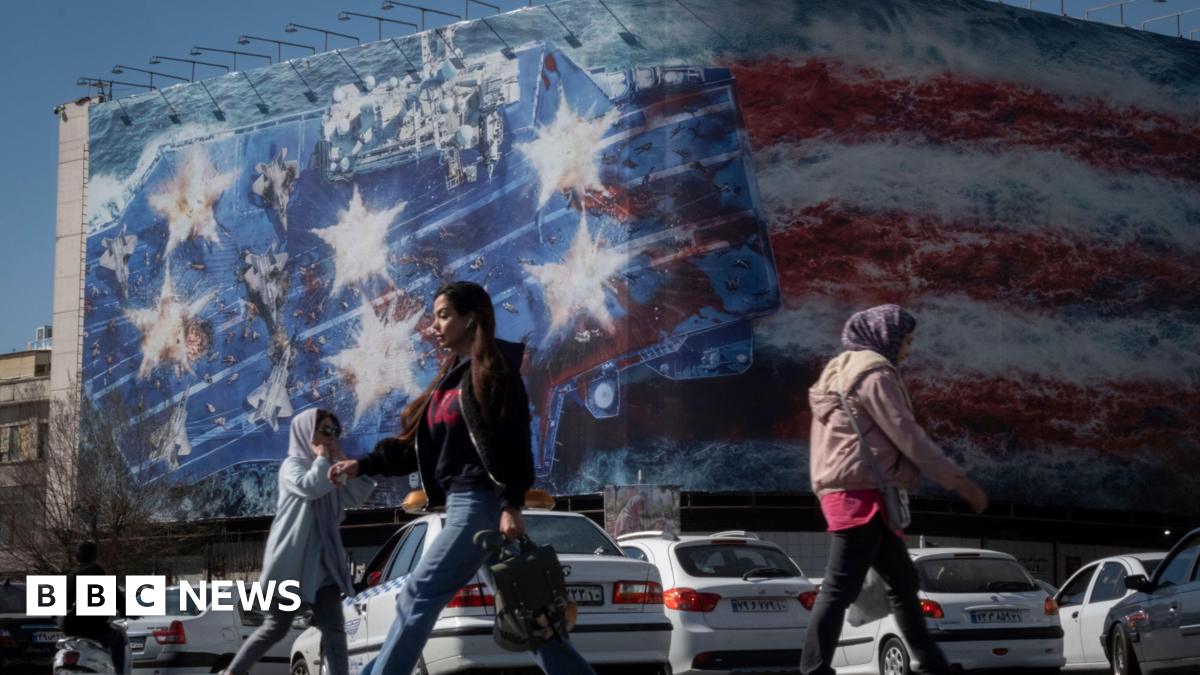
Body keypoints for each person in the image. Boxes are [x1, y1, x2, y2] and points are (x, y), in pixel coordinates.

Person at [328, 280, 595, 675]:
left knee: (417, 594)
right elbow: (413, 449)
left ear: (470, 320)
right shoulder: (449, 381)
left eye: (443, 316)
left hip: (478, 507)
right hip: (461, 508)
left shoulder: (494, 374)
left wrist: (509, 503)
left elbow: (515, 442)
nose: (434, 326)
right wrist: (361, 464)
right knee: (527, 613)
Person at [801, 304, 989, 675]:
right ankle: (813, 668)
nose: (908, 349)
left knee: (903, 585)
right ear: (886, 337)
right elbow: (908, 436)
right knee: (840, 589)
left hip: (853, 494)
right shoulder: (873, 373)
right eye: (906, 340)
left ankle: (933, 664)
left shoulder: (837, 369)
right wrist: (960, 481)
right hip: (864, 497)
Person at [223, 408, 375, 675]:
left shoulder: (328, 468)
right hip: (291, 565)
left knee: (334, 630)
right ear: (306, 433)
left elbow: (359, 494)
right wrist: (321, 460)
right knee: (276, 627)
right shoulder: (291, 466)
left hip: (323, 565)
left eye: (334, 432)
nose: (330, 437)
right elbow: (311, 486)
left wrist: (342, 459)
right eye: (325, 431)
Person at [62, 542, 127, 674]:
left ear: (76, 557)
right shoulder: (99, 576)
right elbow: (120, 602)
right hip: (95, 630)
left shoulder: (69, 577)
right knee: (119, 638)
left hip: (69, 629)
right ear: (94, 557)